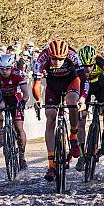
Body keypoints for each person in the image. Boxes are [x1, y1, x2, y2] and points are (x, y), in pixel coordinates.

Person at [32, 38, 87, 181]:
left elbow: (84, 79)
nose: (57, 62)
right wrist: (37, 100)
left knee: (71, 101)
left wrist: (82, 98)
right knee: (50, 117)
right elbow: (36, 83)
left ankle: (73, 135)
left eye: (60, 59)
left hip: (71, 82)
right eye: (54, 59)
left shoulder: (73, 55)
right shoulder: (42, 58)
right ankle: (51, 165)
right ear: (49, 55)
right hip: (53, 86)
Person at [75, 45, 104, 171]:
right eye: (85, 66)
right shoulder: (76, 65)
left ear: (94, 62)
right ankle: (82, 156)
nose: (87, 69)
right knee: (81, 120)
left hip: (99, 86)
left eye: (90, 65)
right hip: (84, 89)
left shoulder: (101, 62)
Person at [0, 54, 30, 170]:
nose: (4, 71)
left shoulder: (18, 74)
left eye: (7, 68)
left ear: (12, 67)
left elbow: (26, 93)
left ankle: (22, 156)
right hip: (2, 97)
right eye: (2, 68)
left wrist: (23, 102)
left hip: (15, 97)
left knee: (19, 127)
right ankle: (0, 133)